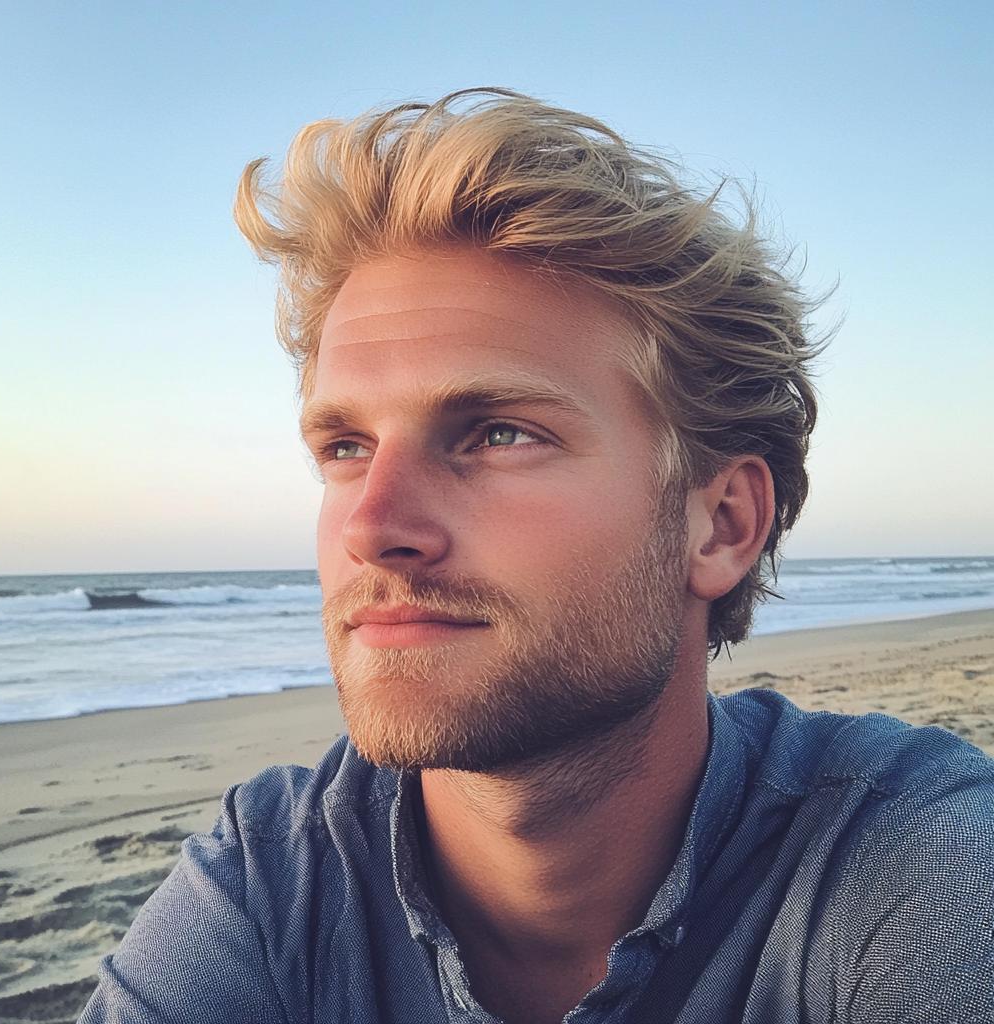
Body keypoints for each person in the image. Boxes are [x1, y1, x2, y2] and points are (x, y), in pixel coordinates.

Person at [79, 90, 994, 1024]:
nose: (372, 526)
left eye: (499, 433)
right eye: (346, 448)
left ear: (720, 523)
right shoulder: (276, 880)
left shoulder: (907, 863)